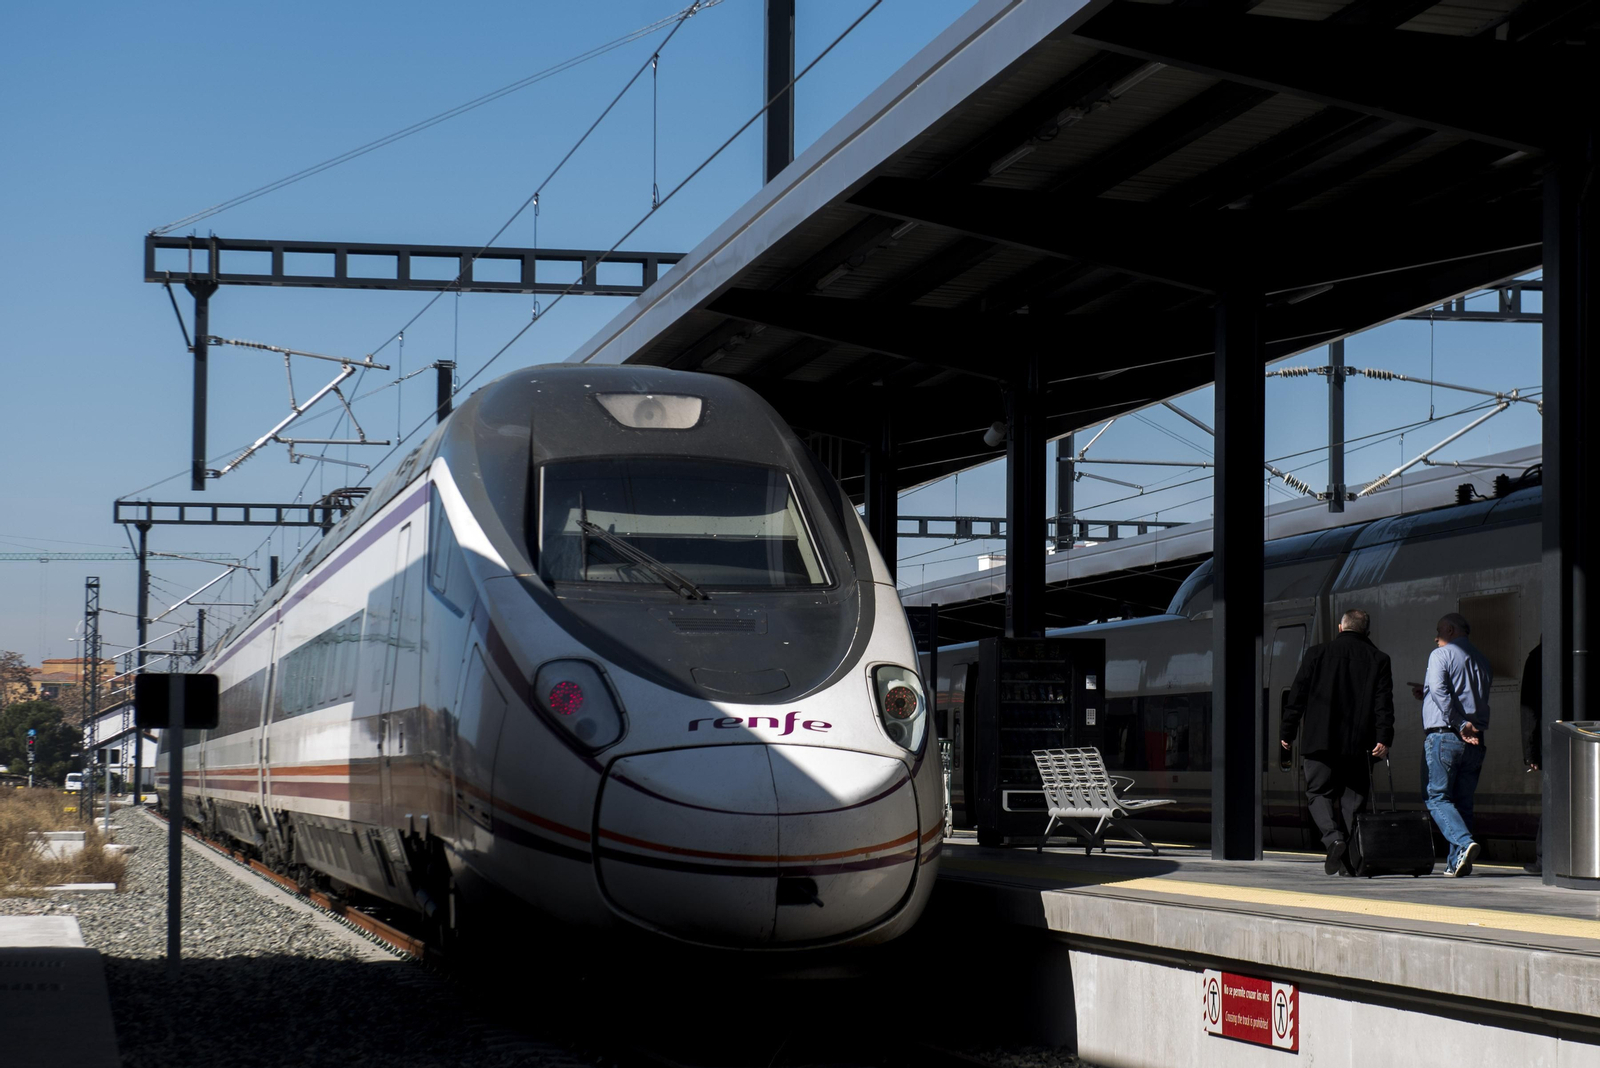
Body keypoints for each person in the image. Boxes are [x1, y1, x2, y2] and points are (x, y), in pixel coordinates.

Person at [1281, 608, 1394, 876]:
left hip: (1320, 741)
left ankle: (1333, 839)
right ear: (1367, 631)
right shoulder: (1379, 659)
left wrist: (1288, 731)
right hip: (1360, 744)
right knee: (1353, 802)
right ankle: (1349, 865)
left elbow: (1297, 695)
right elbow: (1383, 704)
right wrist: (1384, 737)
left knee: (1318, 793)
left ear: (1340, 628)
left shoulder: (1317, 654)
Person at [1409, 612, 1492, 877]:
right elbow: (1467, 694)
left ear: (1449, 630)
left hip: (1445, 736)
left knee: (1436, 797)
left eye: (1438, 631)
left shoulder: (1440, 655)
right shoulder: (1482, 659)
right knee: (1463, 802)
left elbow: (1440, 690)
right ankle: (1457, 862)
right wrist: (1426, 693)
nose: (1436, 637)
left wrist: (1458, 723)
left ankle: (1464, 843)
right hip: (1475, 740)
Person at [1520, 641, 1542, 875]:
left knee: (1553, 800)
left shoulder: (1537, 657)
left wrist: (1531, 752)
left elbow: (1530, 711)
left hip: (1551, 742)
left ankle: (1545, 857)